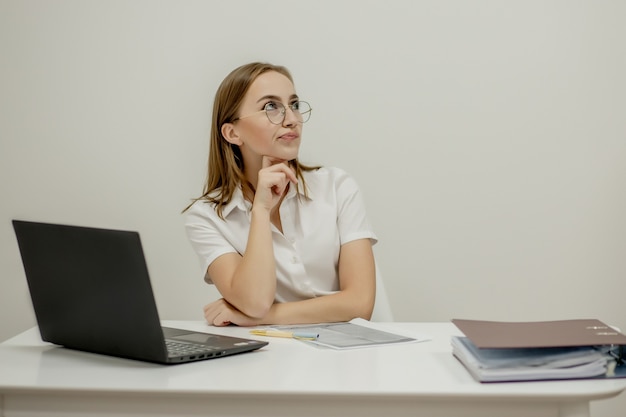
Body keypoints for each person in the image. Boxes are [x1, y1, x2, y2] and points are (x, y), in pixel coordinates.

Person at [184, 62, 377, 327]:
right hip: (268, 359)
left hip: (348, 356)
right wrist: (260, 211)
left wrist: (258, 318)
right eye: (270, 107)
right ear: (232, 132)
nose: (292, 119)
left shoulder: (337, 187)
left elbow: (360, 304)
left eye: (294, 104)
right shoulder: (206, 217)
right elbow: (254, 301)